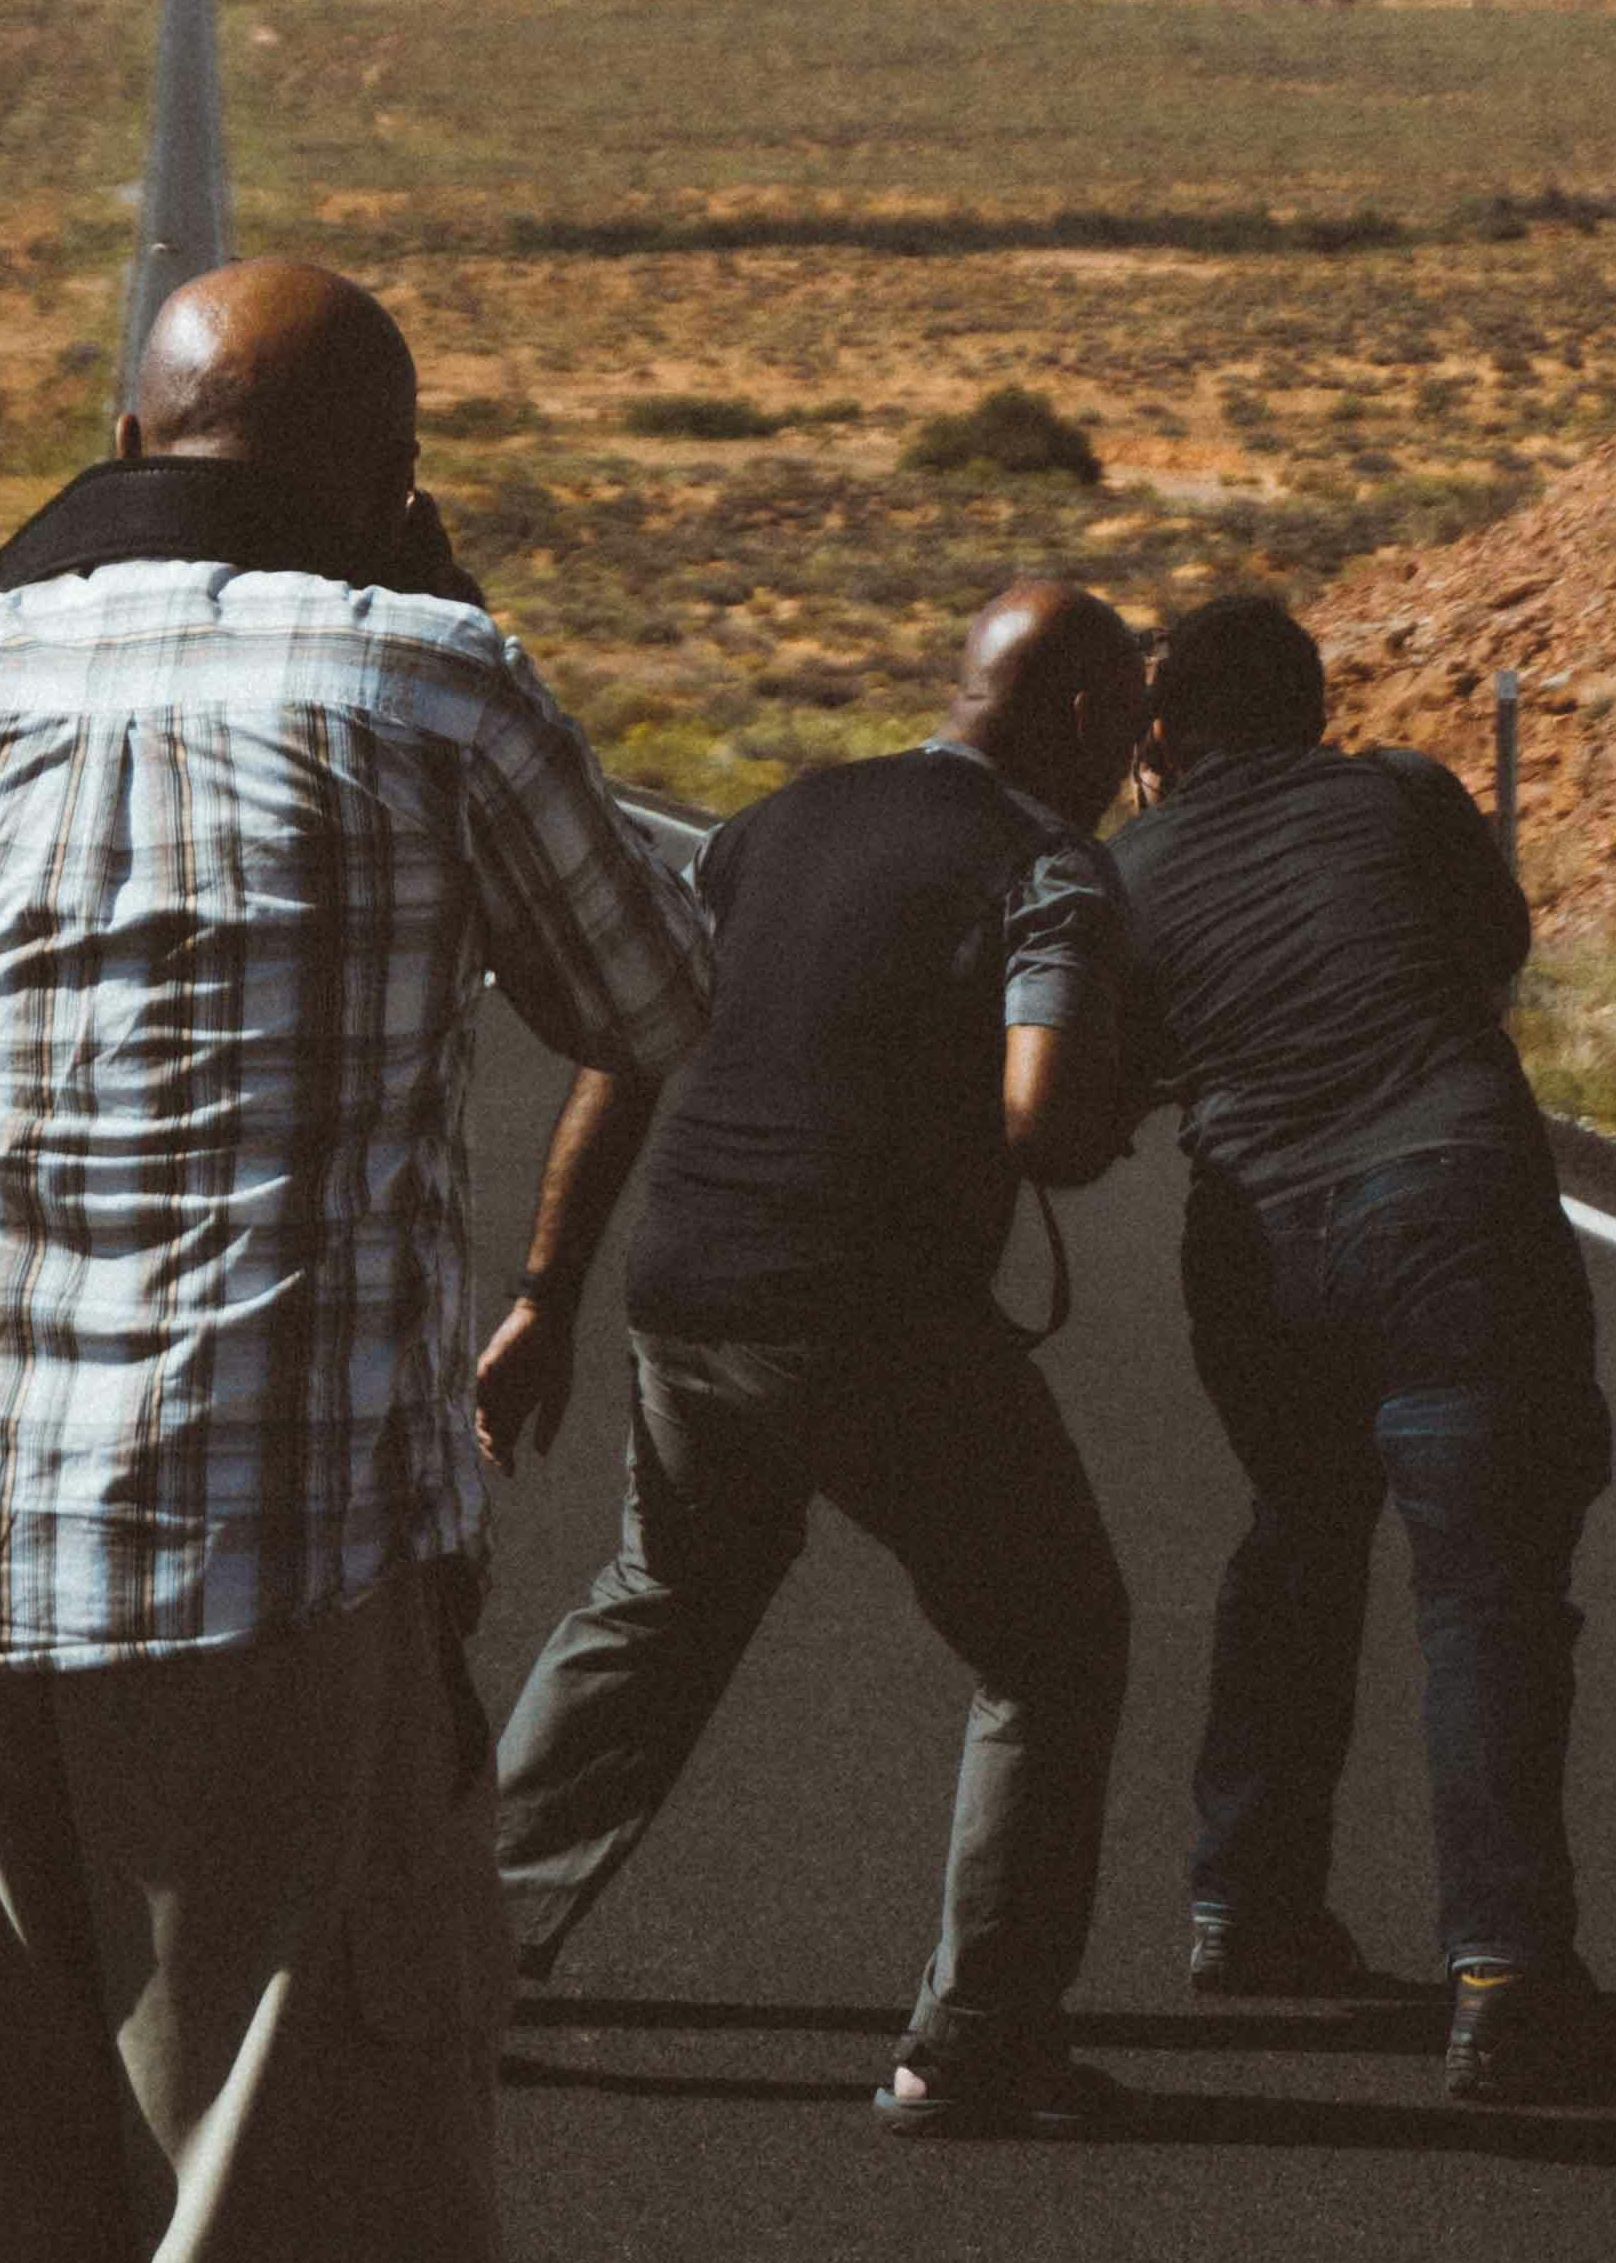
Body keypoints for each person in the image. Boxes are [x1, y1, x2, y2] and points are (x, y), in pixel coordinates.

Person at [0, 257, 714, 2263]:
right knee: (303, 2247)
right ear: (395, 480)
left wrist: (15, 584)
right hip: (265, 1573)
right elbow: (650, 991)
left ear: (126, 432)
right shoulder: (434, 675)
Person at [474, 580, 1153, 2141]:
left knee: (659, 1606)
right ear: (1068, 717)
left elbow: (624, 1050)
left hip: (683, 1290)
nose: (1131, 760)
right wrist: (1121, 1090)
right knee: (1055, 1646)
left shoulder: (772, 825)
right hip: (869, 1315)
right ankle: (976, 2047)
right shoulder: (1049, 867)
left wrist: (542, 1295)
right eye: (1123, 724)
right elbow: (1046, 1125)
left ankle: (462, 1963)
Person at [1105, 590, 1616, 2103]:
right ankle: (1508, 1976)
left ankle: (1248, 1904)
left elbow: (1124, 1066)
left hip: (1256, 1239)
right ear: (1314, 711)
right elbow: (1497, 945)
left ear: (1160, 736)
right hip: (1454, 1199)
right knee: (1488, 1590)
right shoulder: (1397, 790)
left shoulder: (1123, 870)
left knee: (1299, 1533)